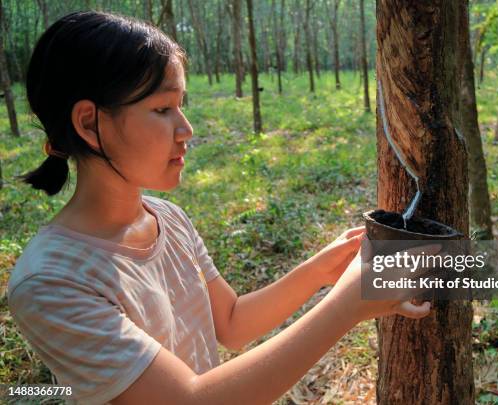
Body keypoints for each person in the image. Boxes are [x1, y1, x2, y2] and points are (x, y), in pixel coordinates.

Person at [7, 11, 434, 405]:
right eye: (161, 109)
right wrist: (347, 305)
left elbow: (230, 322)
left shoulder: (167, 218)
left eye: (181, 106)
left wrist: (321, 272)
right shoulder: (51, 282)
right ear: (88, 124)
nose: (186, 130)